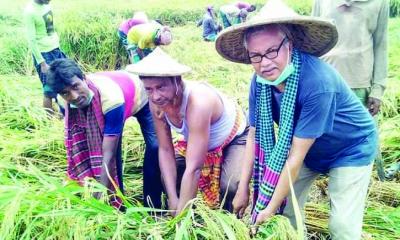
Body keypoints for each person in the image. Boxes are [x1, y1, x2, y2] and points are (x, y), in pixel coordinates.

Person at [215, 0, 377, 239]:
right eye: (256, 56)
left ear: (289, 45)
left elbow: (295, 158)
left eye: (272, 51)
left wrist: (267, 209)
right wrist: (243, 189)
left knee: (342, 227)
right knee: (286, 215)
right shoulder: (259, 82)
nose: (265, 62)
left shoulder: (317, 83)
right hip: (307, 149)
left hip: (350, 147)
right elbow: (254, 134)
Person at [126, 48, 249, 215]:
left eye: (160, 87)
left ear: (176, 80)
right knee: (171, 174)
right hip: (197, 141)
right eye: (149, 89)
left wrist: (179, 218)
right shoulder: (156, 103)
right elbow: (165, 149)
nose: (155, 96)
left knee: (230, 186)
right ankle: (190, 211)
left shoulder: (198, 102)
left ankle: (227, 220)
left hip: (234, 139)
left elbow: (194, 168)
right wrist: (173, 199)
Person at [46, 58, 163, 209]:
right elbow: (80, 139)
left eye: (76, 86)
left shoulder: (111, 98)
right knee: (110, 155)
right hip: (114, 95)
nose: (74, 96)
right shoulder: (65, 103)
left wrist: (98, 196)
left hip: (138, 96)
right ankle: (119, 205)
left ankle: (152, 205)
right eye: (65, 93)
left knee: (154, 146)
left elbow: (108, 153)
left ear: (83, 78)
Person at [312, 0, 389, 181]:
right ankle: (325, 175)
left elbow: (381, 44)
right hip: (325, 82)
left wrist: (377, 89)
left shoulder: (380, 2)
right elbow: (313, 38)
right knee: (323, 136)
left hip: (359, 84)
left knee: (360, 140)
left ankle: (368, 179)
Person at [24, 0, 67, 114]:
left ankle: (63, 111)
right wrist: (42, 63)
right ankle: (48, 117)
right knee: (49, 87)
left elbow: (50, 28)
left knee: (63, 79)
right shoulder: (30, 12)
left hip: (55, 49)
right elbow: (31, 40)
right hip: (43, 53)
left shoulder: (46, 4)